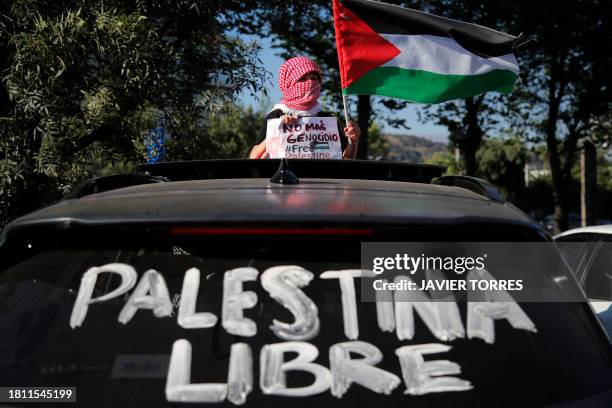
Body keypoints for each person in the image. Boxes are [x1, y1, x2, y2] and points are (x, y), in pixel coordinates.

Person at [250, 56, 360, 159]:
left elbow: (343, 159)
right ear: (289, 83)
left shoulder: (327, 119)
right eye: (302, 79)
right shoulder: (276, 116)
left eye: (314, 78)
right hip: (285, 178)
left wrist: (354, 141)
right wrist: (278, 129)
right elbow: (254, 157)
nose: (310, 82)